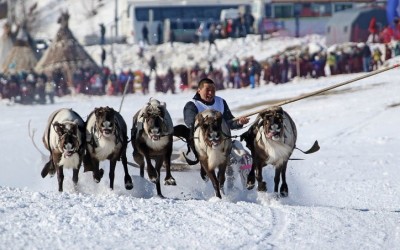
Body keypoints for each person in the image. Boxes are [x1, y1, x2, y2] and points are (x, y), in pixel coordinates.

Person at [182, 77, 250, 182]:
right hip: (203, 147)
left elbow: (229, 122)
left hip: (224, 143)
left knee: (245, 157)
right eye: (207, 90)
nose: (210, 93)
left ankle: (247, 182)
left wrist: (239, 122)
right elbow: (191, 123)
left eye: (213, 90)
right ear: (199, 91)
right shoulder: (192, 105)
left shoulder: (221, 102)